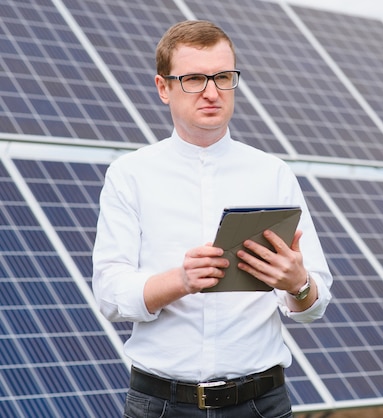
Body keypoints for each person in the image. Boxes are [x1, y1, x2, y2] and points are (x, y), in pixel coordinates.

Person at [92, 20, 332, 418]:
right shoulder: (129, 174)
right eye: (193, 79)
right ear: (163, 88)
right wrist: (180, 281)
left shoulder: (273, 174)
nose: (211, 91)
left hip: (261, 404)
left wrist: (299, 284)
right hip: (161, 406)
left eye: (223, 77)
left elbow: (314, 303)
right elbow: (110, 294)